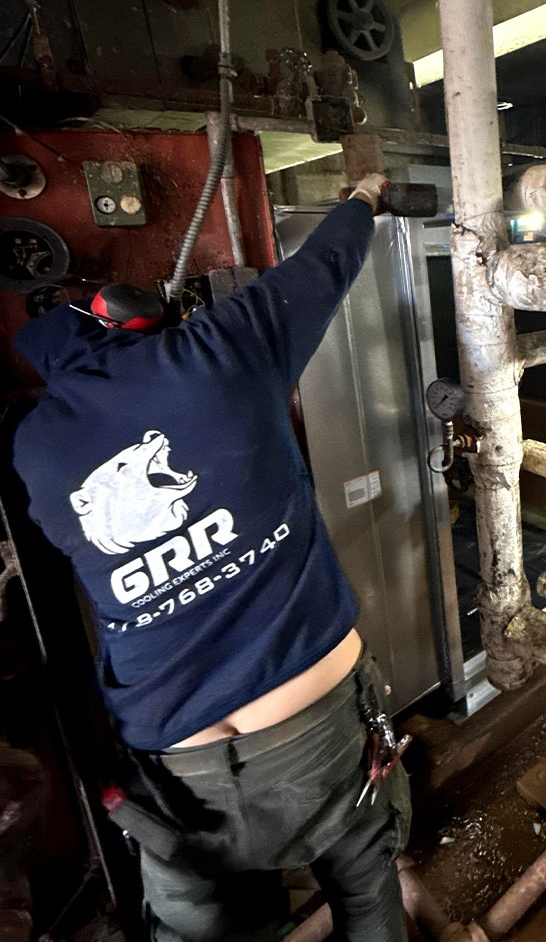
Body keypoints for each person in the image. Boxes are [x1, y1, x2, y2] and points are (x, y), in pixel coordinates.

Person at [11, 173, 410, 942]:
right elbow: (324, 263)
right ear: (141, 326)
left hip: (173, 761)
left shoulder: (34, 448)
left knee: (199, 932)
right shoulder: (213, 354)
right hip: (310, 727)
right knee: (363, 886)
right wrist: (363, 195)